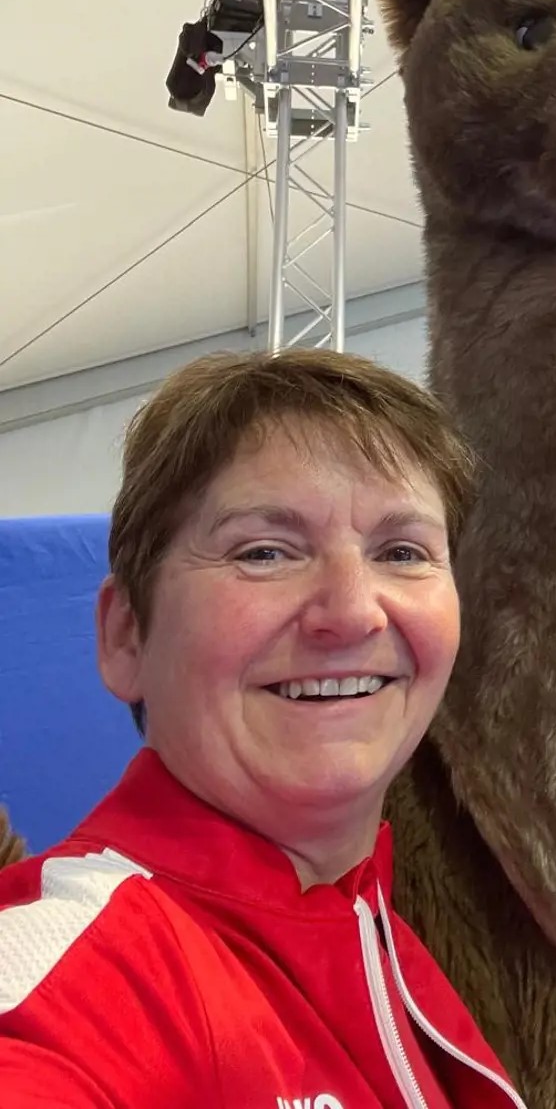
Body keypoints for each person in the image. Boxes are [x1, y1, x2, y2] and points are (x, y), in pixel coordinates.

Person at [0, 348, 527, 1109]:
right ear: (126, 636)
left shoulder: (378, 936)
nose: (352, 610)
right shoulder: (81, 970)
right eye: (264, 551)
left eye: (402, 551)